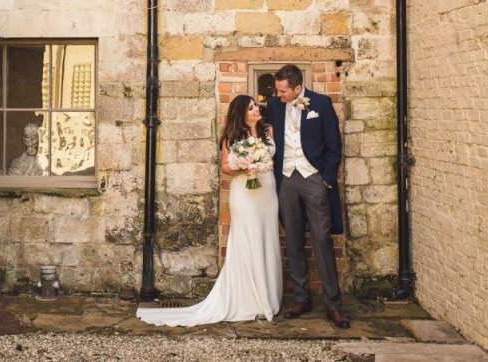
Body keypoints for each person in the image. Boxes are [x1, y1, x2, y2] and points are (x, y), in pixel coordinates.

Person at [136, 94, 282, 326]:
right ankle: (248, 299)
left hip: (266, 194)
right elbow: (226, 167)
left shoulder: (267, 132)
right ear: (241, 113)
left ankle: (267, 294)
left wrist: (260, 163)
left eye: (256, 106)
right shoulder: (231, 137)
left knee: (266, 239)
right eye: (252, 107)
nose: (256, 110)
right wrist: (243, 165)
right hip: (245, 194)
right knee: (248, 239)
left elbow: (273, 159)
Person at [267, 63, 350, 328]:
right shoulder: (274, 105)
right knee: (292, 239)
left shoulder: (322, 104)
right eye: (277, 90)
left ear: (297, 87)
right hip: (286, 180)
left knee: (322, 239)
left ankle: (333, 305)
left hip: (314, 179)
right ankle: (302, 299)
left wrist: (326, 180)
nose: (278, 95)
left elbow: (333, 146)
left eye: (282, 91)